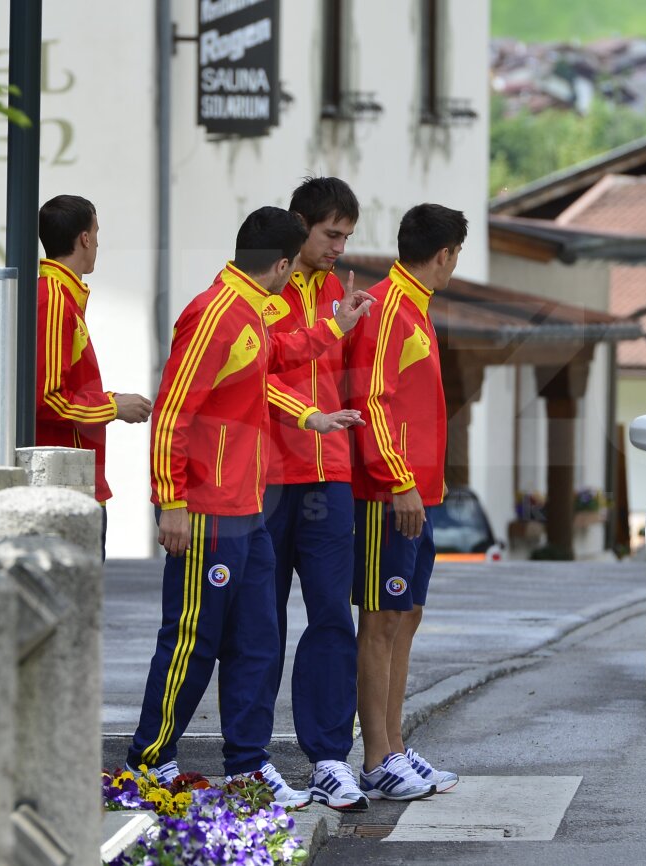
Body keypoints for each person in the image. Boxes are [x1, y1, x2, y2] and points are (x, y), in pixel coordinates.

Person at [125, 206, 374, 807]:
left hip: (247, 507)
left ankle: (247, 766)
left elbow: (271, 362)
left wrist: (333, 331)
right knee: (192, 639)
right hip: (207, 509)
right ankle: (146, 763)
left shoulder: (247, 309)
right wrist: (171, 500)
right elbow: (173, 412)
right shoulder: (213, 314)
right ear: (284, 264)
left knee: (257, 639)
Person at [347, 203, 467, 800]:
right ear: (444, 254)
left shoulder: (415, 307)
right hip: (388, 494)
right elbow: (372, 402)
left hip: (417, 495)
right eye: (454, 257)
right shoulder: (388, 308)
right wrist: (399, 481)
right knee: (380, 618)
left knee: (406, 616)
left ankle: (394, 744)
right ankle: (375, 758)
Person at [262, 177, 368, 811]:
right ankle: (252, 760)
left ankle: (328, 757)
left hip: (329, 475)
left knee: (332, 616)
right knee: (259, 623)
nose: (338, 247)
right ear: (299, 226)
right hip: (270, 478)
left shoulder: (336, 289)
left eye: (347, 236)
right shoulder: (268, 285)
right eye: (331, 234)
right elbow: (264, 368)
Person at [36, 195, 152, 556]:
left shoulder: (62, 295)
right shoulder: (54, 298)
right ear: (84, 238)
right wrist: (113, 406)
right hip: (65, 482)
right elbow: (47, 398)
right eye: (96, 232)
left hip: (74, 478)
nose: (98, 243)